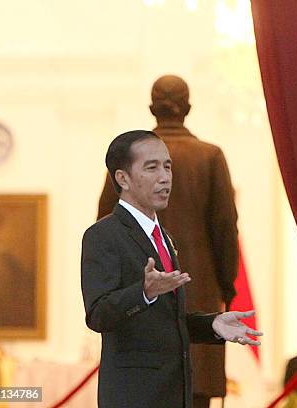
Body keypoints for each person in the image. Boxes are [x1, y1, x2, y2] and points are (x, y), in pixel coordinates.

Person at [81, 130, 261, 408]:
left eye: (167, 166)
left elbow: (165, 321)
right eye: (151, 167)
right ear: (122, 178)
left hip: (176, 395)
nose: (165, 177)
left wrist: (211, 323)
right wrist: (143, 292)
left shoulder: (164, 238)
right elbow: (98, 315)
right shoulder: (102, 235)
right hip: (135, 398)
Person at [97, 75, 238, 408]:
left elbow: (106, 222)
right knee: (194, 391)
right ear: (188, 108)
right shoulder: (210, 157)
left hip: (134, 303)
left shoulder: (126, 161)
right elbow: (225, 229)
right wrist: (226, 289)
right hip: (198, 294)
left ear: (151, 109)